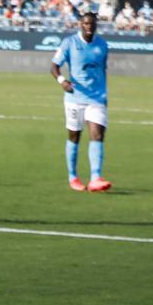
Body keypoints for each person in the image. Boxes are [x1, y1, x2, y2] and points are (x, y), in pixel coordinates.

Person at [50, 12, 111, 192]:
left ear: (96, 25)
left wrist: (104, 95)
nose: (89, 27)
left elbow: (103, 71)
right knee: (74, 137)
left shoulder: (102, 45)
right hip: (74, 98)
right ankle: (73, 177)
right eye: (85, 23)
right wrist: (62, 81)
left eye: (92, 24)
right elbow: (54, 66)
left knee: (97, 135)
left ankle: (95, 178)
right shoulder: (69, 43)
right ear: (80, 24)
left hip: (97, 98)